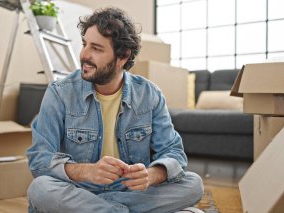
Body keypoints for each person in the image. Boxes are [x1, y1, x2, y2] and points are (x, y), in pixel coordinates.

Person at [26, 7, 204, 213]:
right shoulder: (60, 93)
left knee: (193, 184)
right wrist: (87, 172)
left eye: (96, 48)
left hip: (128, 192)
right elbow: (40, 158)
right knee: (40, 188)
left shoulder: (149, 94)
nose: (84, 54)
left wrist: (151, 175)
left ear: (123, 57)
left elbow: (173, 152)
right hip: (79, 190)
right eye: (84, 44)